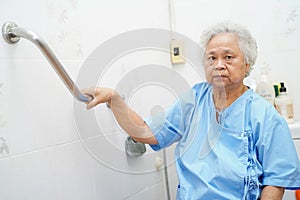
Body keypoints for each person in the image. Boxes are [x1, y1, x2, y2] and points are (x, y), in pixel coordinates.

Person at [82, 22, 300, 199]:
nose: (219, 65)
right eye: (212, 58)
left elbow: (276, 180)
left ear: (247, 64)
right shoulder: (194, 99)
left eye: (229, 57)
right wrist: (114, 98)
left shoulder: (264, 115)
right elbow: (145, 132)